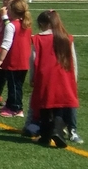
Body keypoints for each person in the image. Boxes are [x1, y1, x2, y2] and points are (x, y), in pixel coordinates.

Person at [29, 10, 80, 147]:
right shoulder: (67, 38)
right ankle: (57, 131)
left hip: (45, 77)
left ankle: (46, 135)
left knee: (45, 107)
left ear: (42, 24)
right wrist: (73, 79)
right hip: (64, 76)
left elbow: (33, 59)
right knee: (60, 107)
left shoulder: (38, 39)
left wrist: (32, 77)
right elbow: (73, 61)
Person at [0, 0, 31, 118]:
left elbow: (6, 44)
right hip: (24, 60)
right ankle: (10, 104)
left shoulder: (11, 25)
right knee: (15, 84)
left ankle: (16, 108)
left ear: (13, 11)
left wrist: (0, 60)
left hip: (14, 60)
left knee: (15, 86)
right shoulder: (26, 24)